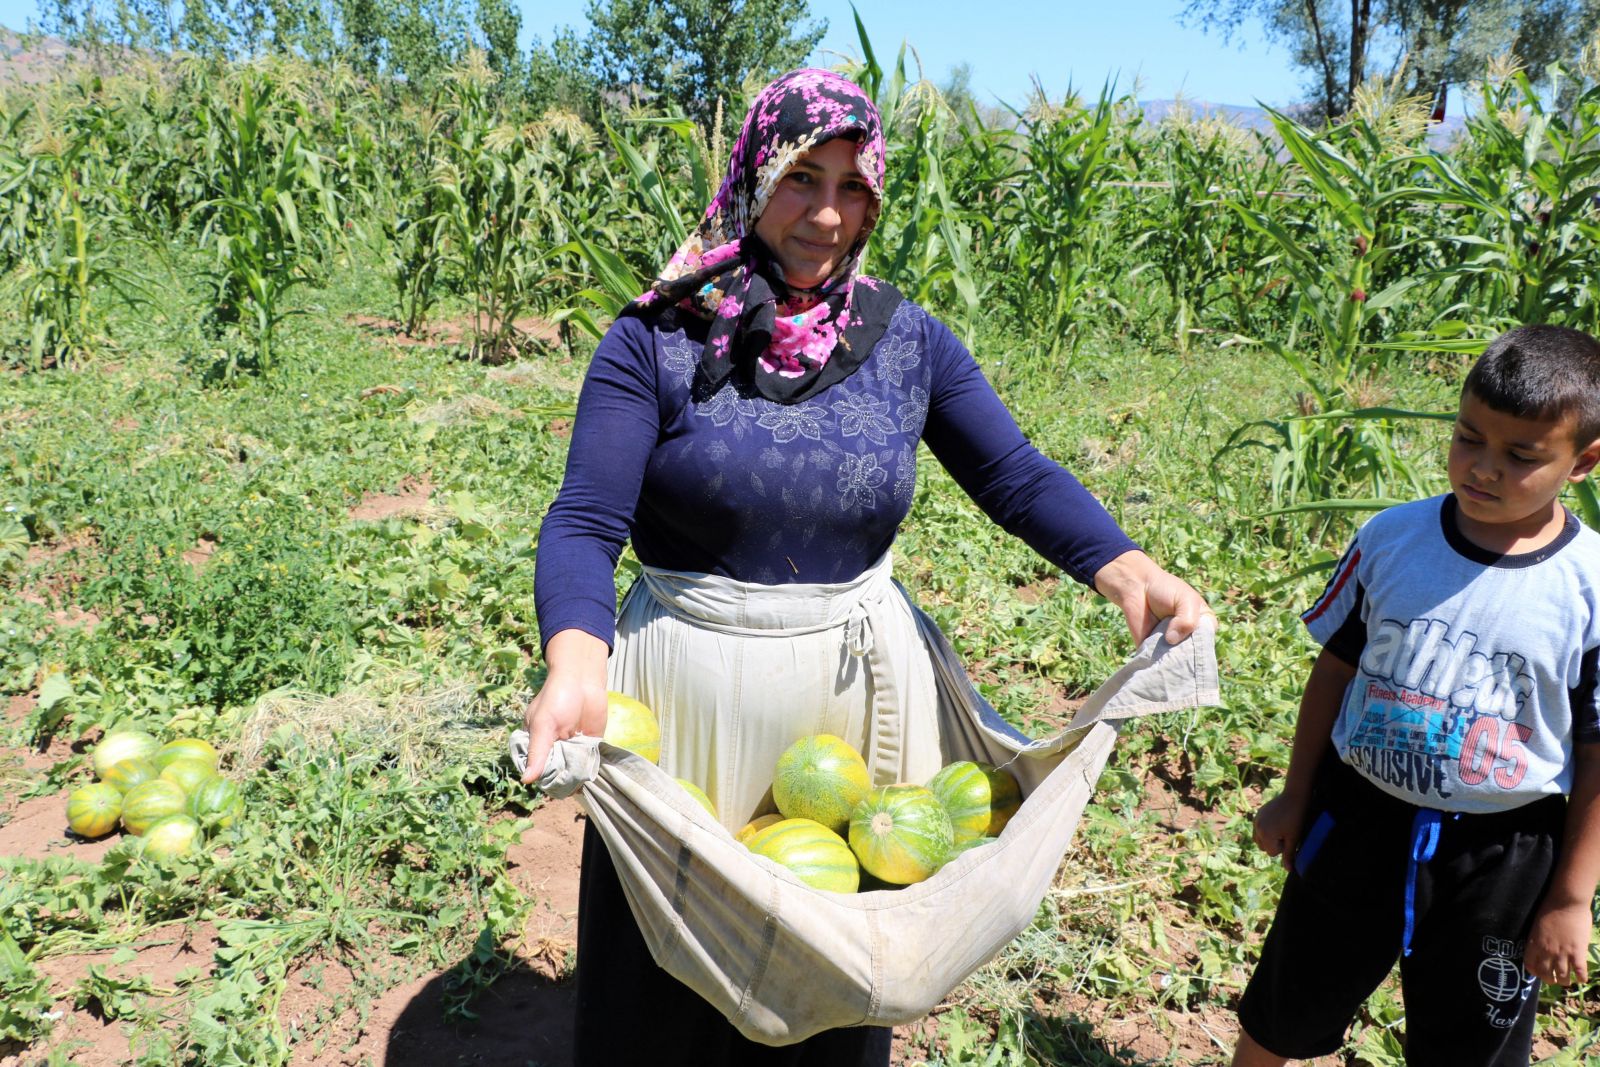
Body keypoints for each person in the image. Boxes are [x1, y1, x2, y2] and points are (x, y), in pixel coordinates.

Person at [521, 68, 1211, 1066]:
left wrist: (1127, 569)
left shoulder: (906, 341)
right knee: (661, 998)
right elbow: (587, 518)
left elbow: (1012, 473)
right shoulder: (658, 338)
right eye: (802, 178)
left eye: (854, 187)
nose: (827, 215)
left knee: (835, 984)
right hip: (683, 714)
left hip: (850, 715)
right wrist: (578, 657)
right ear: (754, 175)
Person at [1231, 324, 1600, 1067]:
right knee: (1285, 1008)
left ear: (1584, 460)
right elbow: (1335, 670)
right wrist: (1296, 794)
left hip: (1500, 855)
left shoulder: (1590, 586)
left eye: (1521, 456)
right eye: (1468, 438)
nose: (1483, 468)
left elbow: (1596, 755)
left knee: (1471, 1047)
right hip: (1355, 819)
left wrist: (1569, 898)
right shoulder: (1391, 538)